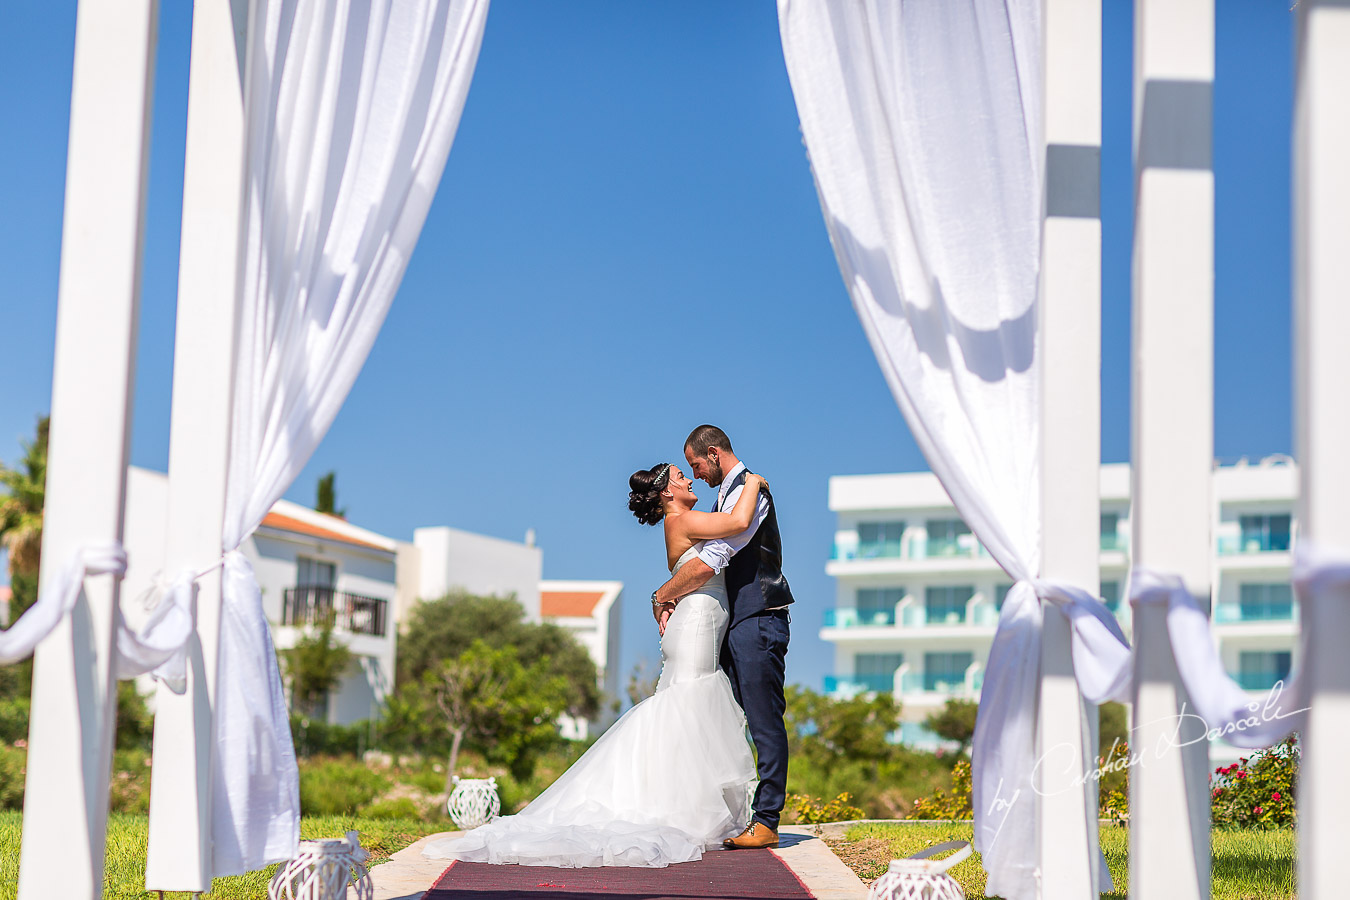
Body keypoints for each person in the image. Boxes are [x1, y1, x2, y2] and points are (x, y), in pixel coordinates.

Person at [421, 460, 769, 868]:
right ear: (666, 493)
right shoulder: (683, 520)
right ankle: (679, 810)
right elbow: (741, 520)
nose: (689, 479)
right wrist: (754, 481)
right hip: (695, 627)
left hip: (697, 622)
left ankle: (679, 804)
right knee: (688, 705)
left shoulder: (684, 519)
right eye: (680, 476)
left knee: (684, 708)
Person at [650, 425, 794, 851]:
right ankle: (730, 813)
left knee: (764, 719)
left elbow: (714, 560)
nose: (695, 475)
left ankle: (767, 819)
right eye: (687, 471)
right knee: (727, 720)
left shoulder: (753, 492)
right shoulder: (725, 497)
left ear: (713, 453)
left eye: (696, 465)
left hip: (758, 618)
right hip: (728, 626)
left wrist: (662, 594)